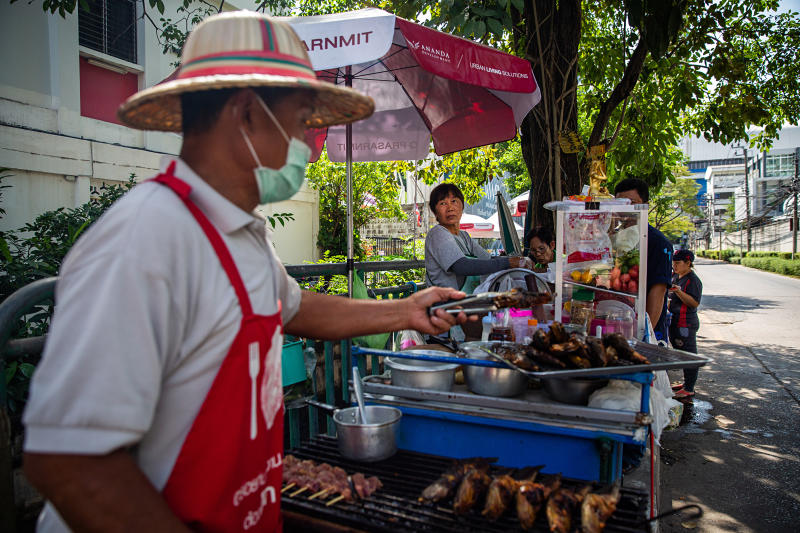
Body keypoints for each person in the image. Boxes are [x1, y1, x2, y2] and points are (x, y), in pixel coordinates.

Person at [21, 12, 470, 533]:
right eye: (301, 121)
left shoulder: (243, 232)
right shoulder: (144, 241)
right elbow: (69, 461)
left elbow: (295, 306)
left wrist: (406, 310)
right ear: (246, 113)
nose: (307, 145)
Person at [424, 183, 531, 293]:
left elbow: (488, 259)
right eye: (443, 203)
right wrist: (508, 263)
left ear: (462, 206)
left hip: (465, 300)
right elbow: (461, 266)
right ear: (435, 213)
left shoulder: (464, 236)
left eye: (454, 201)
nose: (450, 208)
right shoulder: (437, 234)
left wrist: (517, 261)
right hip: (444, 303)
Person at [614, 178, 673, 342]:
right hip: (618, 322)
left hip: (645, 332)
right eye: (620, 204)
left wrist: (644, 337)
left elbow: (658, 293)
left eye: (632, 203)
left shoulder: (658, 243)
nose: (626, 210)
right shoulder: (614, 239)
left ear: (645, 206)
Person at [668, 249, 703, 399]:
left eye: (677, 263)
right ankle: (686, 383)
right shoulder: (676, 276)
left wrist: (678, 292)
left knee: (689, 354)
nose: (674, 266)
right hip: (674, 320)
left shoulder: (693, 281)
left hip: (686, 323)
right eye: (673, 263)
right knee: (681, 352)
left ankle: (689, 388)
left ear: (688, 263)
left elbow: (694, 303)